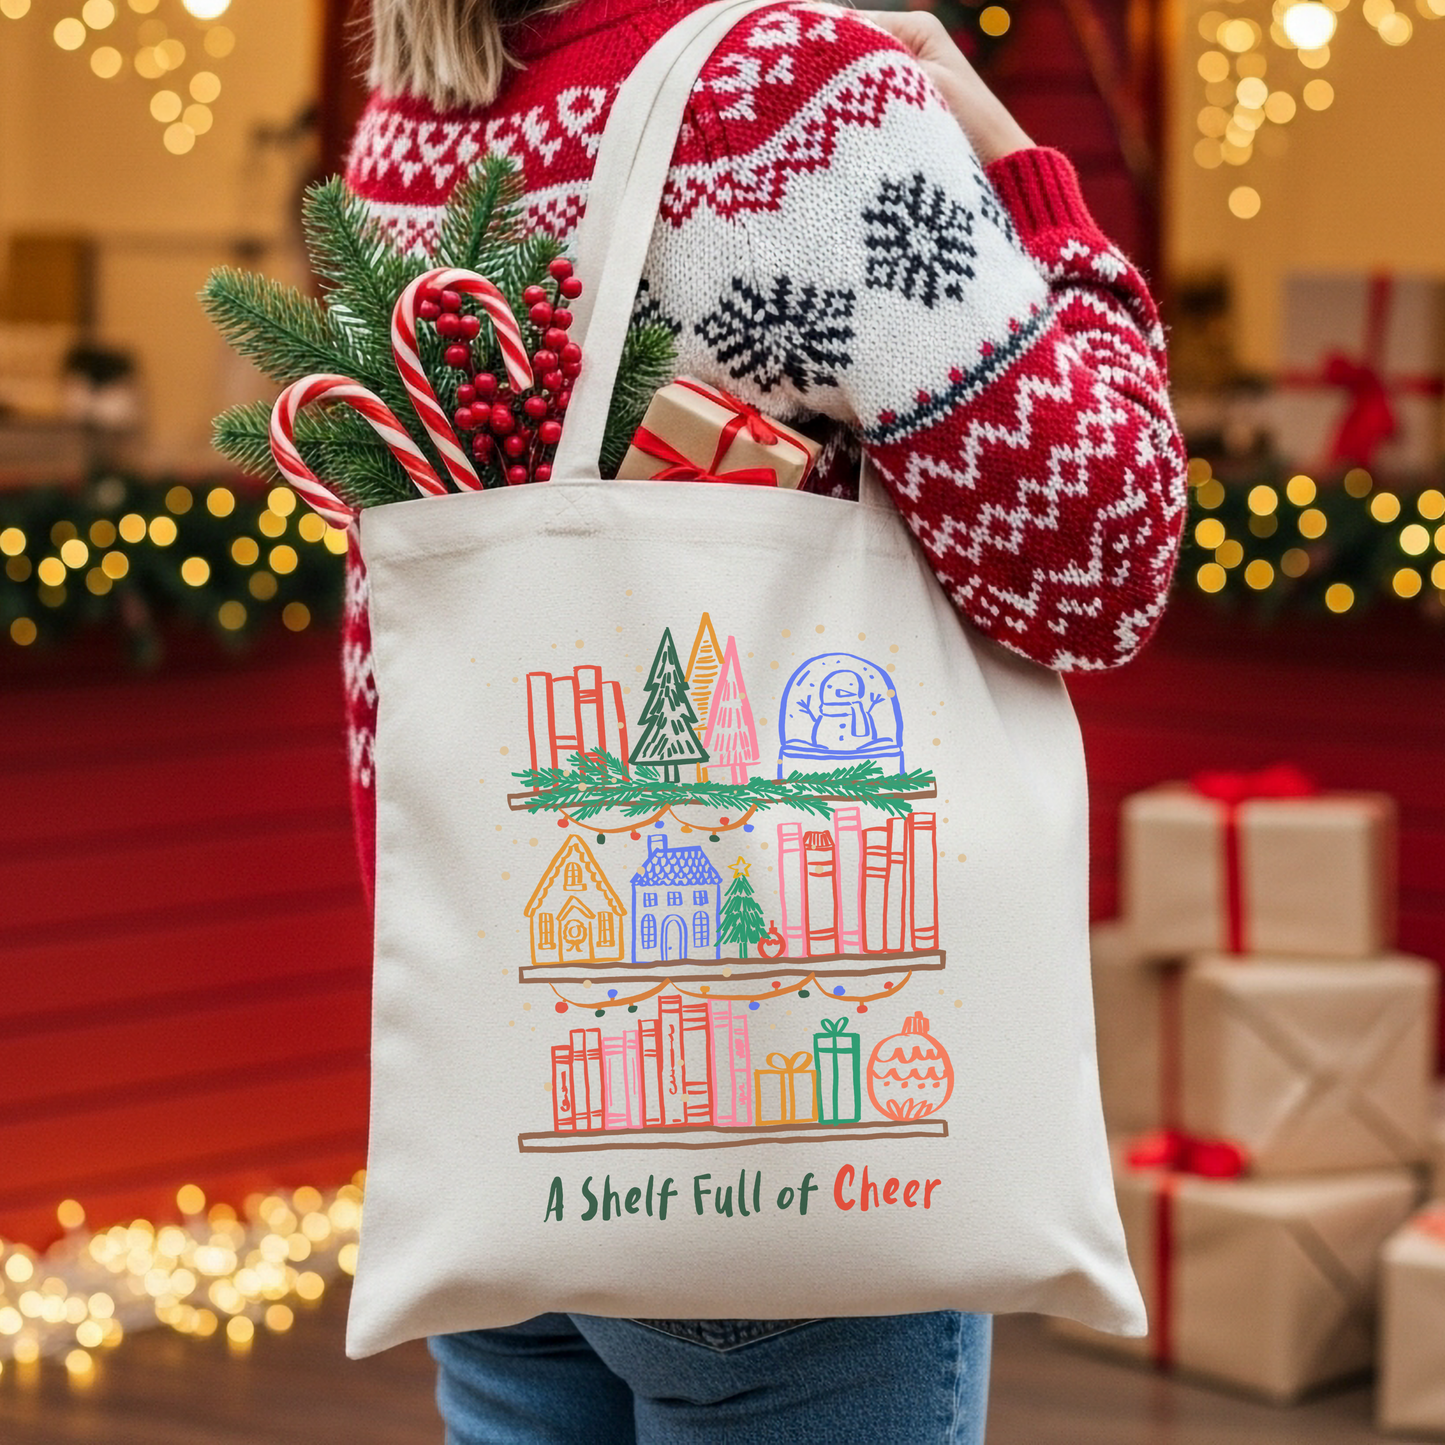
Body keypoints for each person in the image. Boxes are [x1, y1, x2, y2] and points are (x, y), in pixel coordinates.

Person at [342, 1, 1188, 1440]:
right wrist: (1024, 172)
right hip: (784, 1118)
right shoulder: (794, 97)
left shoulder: (416, 113)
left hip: (509, 1079)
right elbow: (1099, 562)